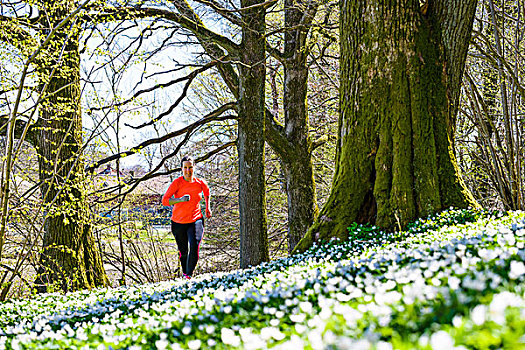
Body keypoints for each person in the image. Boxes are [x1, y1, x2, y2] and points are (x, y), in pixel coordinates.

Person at [162, 156, 212, 279]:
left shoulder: (200, 183)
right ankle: (185, 274)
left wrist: (207, 207)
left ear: (194, 167)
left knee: (194, 245)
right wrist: (180, 200)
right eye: (185, 167)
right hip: (178, 222)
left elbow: (207, 193)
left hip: (196, 219)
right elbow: (165, 201)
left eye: (190, 167)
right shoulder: (177, 183)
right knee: (183, 251)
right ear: (181, 168)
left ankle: (189, 275)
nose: (188, 170)